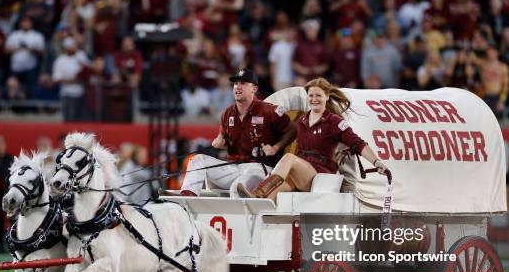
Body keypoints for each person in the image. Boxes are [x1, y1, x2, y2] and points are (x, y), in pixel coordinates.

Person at [238, 77, 389, 200]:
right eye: (311, 96)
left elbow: (358, 144)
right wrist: (273, 147)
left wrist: (376, 162)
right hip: (300, 172)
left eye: (318, 95)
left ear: (327, 97)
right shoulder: (302, 120)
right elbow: (287, 135)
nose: (314, 99)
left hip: (319, 171)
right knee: (272, 195)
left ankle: (258, 192)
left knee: (289, 158)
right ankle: (258, 208)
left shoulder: (334, 121)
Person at [163, 67, 296, 196]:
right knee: (197, 159)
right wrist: (220, 141)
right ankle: (188, 195)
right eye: (236, 83)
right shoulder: (227, 113)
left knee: (238, 187)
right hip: (233, 167)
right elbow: (223, 138)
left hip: (260, 169)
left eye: (243, 83)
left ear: (254, 89)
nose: (238, 87)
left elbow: (292, 130)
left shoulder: (269, 111)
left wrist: (275, 148)